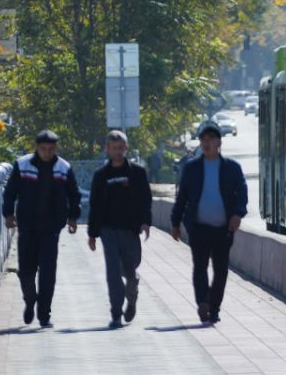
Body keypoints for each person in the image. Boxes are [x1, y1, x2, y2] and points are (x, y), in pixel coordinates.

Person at [2, 130, 82, 328]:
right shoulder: (22, 165)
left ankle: (44, 314)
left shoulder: (63, 168)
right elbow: (10, 192)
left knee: (48, 272)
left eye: (51, 149)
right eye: (43, 149)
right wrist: (9, 214)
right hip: (27, 227)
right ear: (36, 147)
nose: (47, 152)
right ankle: (30, 300)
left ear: (55, 148)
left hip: (51, 229)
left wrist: (73, 218)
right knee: (27, 271)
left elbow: (74, 195)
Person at [170, 120, 247, 324]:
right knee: (200, 267)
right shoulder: (192, 168)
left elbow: (242, 194)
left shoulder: (231, 168)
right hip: (199, 227)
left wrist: (237, 214)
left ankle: (214, 308)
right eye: (203, 139)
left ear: (219, 142)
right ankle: (203, 302)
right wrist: (175, 223)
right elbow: (182, 197)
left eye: (211, 139)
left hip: (224, 228)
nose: (207, 143)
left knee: (221, 270)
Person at [87, 130, 152, 329]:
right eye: (113, 148)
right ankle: (116, 312)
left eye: (120, 148)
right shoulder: (101, 175)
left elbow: (145, 200)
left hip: (130, 229)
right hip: (108, 230)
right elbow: (95, 204)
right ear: (107, 149)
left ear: (126, 148)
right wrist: (92, 233)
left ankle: (131, 297)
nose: (117, 152)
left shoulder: (137, 173)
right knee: (113, 271)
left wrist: (145, 222)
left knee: (130, 268)